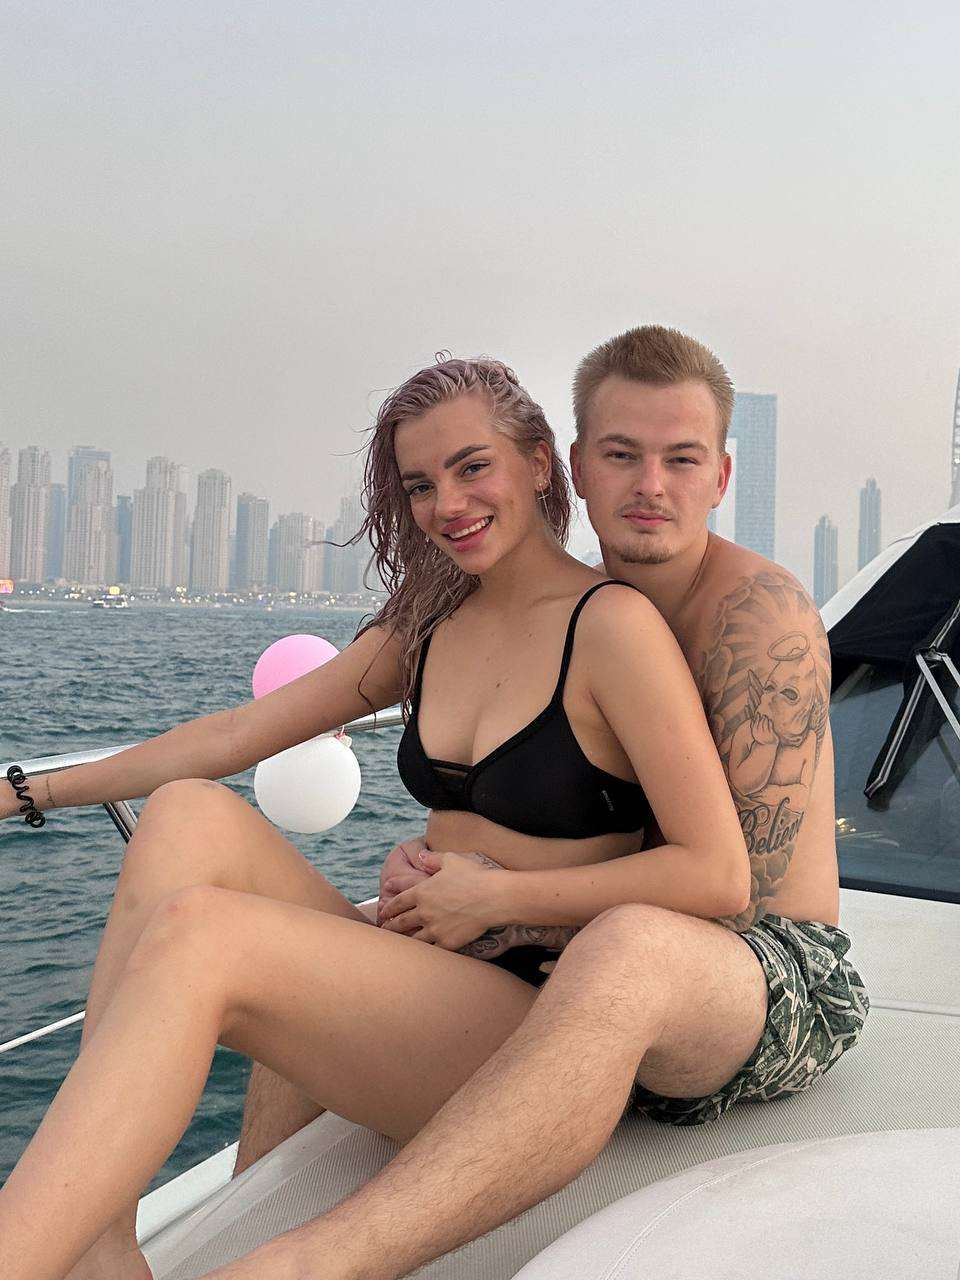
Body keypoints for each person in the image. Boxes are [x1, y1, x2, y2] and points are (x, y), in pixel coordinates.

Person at [0, 351, 758, 1280]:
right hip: (419, 978)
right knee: (187, 814)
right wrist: (25, 790)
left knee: (202, 934)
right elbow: (234, 735)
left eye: (472, 467)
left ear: (537, 464)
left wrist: (496, 897)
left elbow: (716, 871)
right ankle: (101, 1242)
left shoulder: (610, 627)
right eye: (421, 485)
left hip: (529, 1028)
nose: (448, 504)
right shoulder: (430, 623)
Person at [224, 326, 870, 1280]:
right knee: (325, 949)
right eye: (622, 455)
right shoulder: (581, 606)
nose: (650, 485)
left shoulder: (757, 617)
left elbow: (730, 896)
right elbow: (588, 819)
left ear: (721, 476)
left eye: (682, 459)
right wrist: (443, 873)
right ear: (573, 466)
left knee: (627, 946)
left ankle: (316, 1264)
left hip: (769, 971)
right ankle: (238, 1222)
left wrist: (497, 897)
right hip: (598, 939)